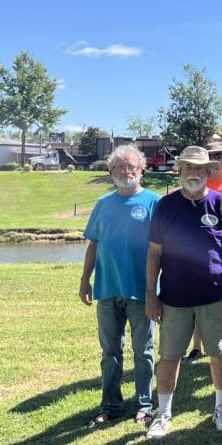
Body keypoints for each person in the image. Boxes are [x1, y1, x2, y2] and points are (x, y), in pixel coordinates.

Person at [145, 146, 222, 439]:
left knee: (219, 353)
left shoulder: (220, 203)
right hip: (175, 297)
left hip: (214, 295)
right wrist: (152, 293)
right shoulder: (166, 205)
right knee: (169, 356)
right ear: (180, 170)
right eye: (189, 167)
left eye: (200, 168)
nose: (194, 173)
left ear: (208, 172)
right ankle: (163, 414)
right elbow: (154, 254)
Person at [79, 144, 160, 429]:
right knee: (110, 353)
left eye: (132, 167)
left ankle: (144, 405)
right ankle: (110, 406)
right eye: (120, 167)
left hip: (142, 291)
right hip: (107, 289)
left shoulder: (154, 203)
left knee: (144, 351)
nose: (126, 171)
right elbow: (94, 244)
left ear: (142, 170)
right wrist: (84, 279)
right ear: (111, 171)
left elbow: (163, 249)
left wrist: (158, 289)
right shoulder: (103, 204)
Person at [186, 140, 222, 362]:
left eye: (220, 155)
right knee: (195, 302)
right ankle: (197, 347)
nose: (217, 159)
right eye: (212, 154)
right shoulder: (195, 181)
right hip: (196, 253)